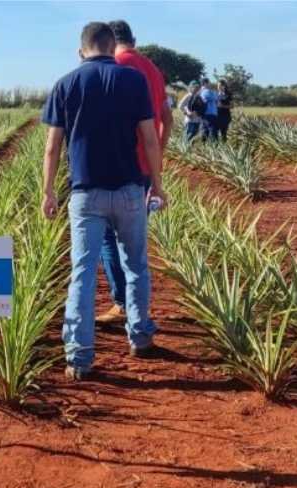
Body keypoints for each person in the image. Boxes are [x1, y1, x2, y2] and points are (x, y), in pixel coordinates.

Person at [40, 21, 165, 380]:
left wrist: (47, 191)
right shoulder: (133, 80)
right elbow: (150, 139)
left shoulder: (65, 84)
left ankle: (79, 357)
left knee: (82, 272)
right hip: (129, 189)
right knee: (136, 264)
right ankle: (140, 337)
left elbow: (52, 147)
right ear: (113, 48)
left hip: (85, 193)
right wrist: (156, 185)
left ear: (82, 50)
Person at [95, 19, 172, 324]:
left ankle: (122, 303)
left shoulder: (114, 64)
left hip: (117, 166)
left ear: (109, 41)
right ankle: (137, 308)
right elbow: (168, 118)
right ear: (134, 39)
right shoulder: (153, 70)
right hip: (144, 167)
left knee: (107, 236)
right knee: (134, 240)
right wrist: (156, 154)